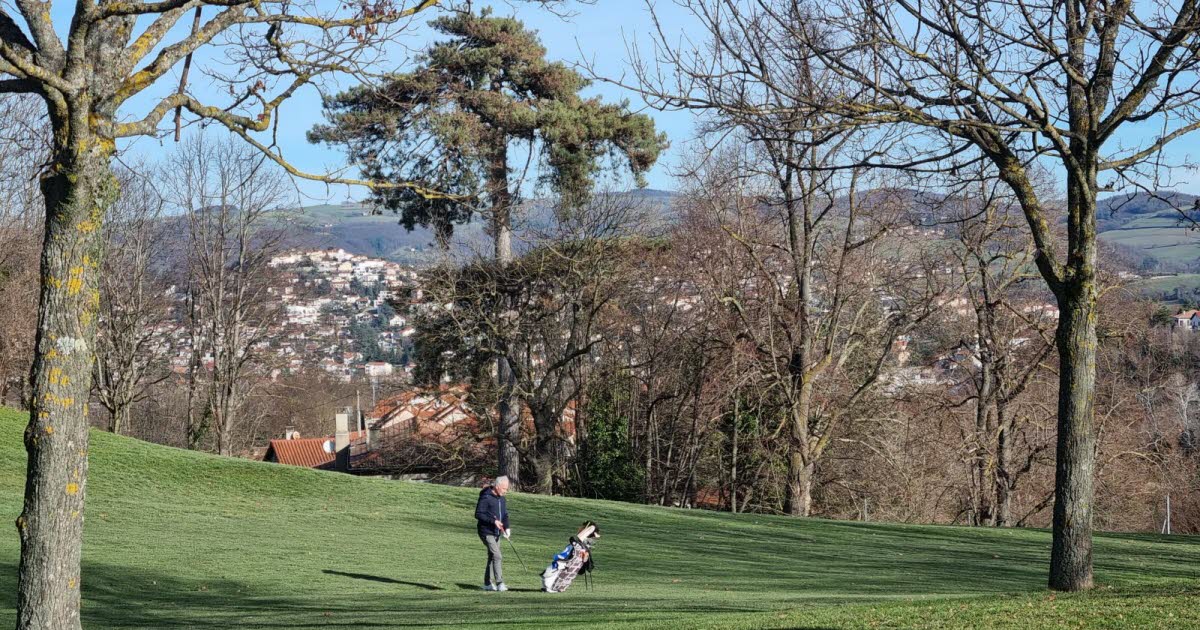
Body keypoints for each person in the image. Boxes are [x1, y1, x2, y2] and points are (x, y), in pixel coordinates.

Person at [474, 475, 511, 592]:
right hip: (486, 531)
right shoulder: (486, 497)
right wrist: (493, 521)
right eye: (504, 489)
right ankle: (500, 583)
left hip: (497, 532)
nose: (506, 491)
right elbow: (478, 514)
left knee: (492, 556)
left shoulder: (502, 499)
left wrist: (507, 528)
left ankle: (487, 583)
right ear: (498, 486)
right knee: (497, 556)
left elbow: (504, 515)